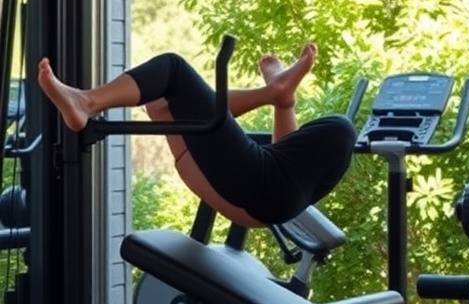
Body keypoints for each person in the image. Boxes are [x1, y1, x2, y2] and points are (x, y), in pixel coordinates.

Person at [38, 42, 357, 228]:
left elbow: (278, 157)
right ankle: (279, 95)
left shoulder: (264, 177)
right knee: (163, 98)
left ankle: (86, 101)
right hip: (261, 206)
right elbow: (178, 111)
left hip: (263, 190)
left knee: (174, 69)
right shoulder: (269, 184)